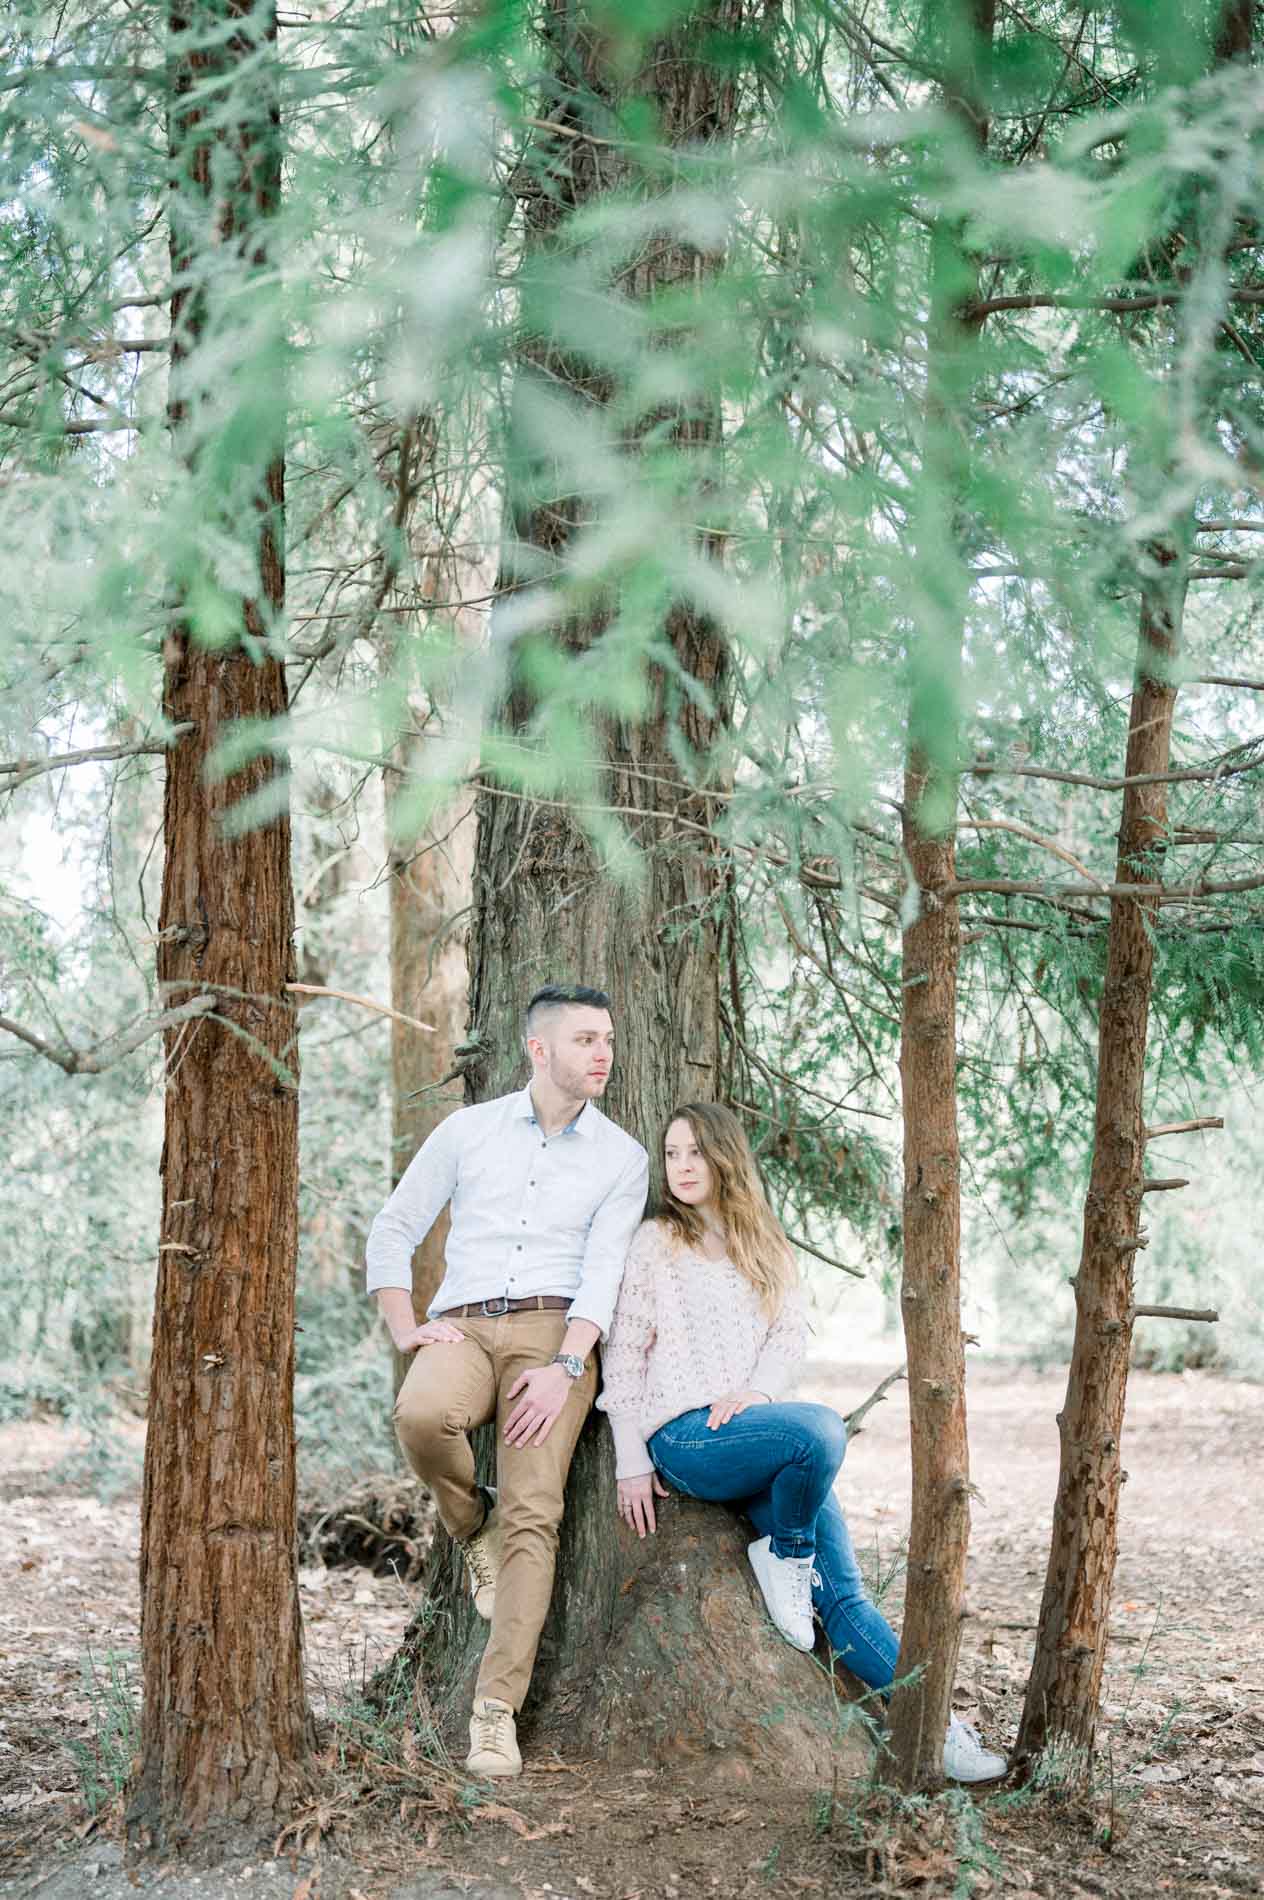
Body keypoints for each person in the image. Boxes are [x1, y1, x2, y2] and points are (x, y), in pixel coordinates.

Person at [597, 1100, 1007, 1785]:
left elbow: (787, 1337)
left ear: (725, 1156)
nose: (682, 1166)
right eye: (672, 1154)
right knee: (818, 1429)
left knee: (845, 1599)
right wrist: (631, 1460)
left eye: (695, 1151)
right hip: (687, 1438)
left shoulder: (764, 1243)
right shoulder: (654, 1244)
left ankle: (938, 1734)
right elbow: (625, 1358)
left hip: (763, 1437)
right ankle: (786, 1553)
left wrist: (755, 1393)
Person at [366, 983, 649, 1779]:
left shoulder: (621, 1157)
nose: (603, 1054)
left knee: (536, 1514)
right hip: (462, 1324)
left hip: (555, 1336)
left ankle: (494, 1714)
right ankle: (467, 1526)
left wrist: (567, 1366)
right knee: (422, 1416)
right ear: (539, 1049)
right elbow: (394, 1228)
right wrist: (405, 1326)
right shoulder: (469, 1132)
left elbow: (606, 1272)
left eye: (608, 1039)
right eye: (586, 1040)